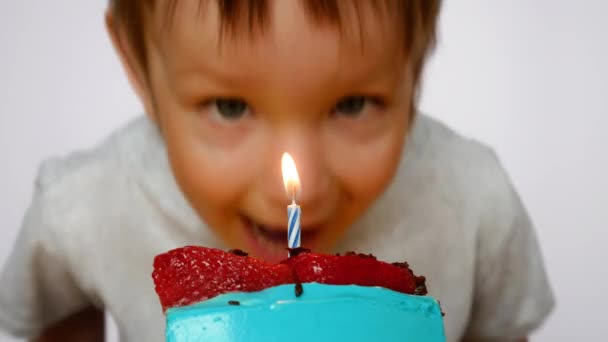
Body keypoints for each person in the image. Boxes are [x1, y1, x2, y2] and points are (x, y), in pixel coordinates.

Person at [0, 1, 554, 341]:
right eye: (230, 107)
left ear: (414, 66)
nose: (303, 185)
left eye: (354, 104)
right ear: (139, 68)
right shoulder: (83, 207)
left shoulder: (474, 200)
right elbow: (61, 315)